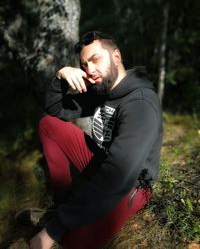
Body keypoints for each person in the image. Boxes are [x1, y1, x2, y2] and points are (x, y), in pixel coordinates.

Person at [19, 31, 163, 249]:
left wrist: (53, 230)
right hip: (106, 164)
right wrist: (61, 77)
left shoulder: (140, 104)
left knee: (74, 241)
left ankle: (61, 220)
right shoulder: (103, 90)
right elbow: (54, 109)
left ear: (116, 57)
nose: (90, 70)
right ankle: (62, 205)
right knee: (48, 125)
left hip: (132, 185)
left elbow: (117, 177)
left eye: (95, 60)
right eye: (84, 65)